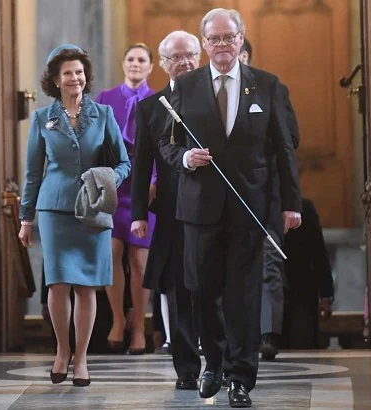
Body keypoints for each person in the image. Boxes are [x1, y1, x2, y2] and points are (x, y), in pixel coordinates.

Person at [158, 8, 302, 407]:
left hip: (249, 209)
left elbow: (284, 150)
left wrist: (290, 204)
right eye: (215, 39)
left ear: (241, 39)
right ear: (204, 44)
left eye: (229, 37)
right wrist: (185, 159)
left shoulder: (269, 86)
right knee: (201, 290)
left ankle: (241, 377)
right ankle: (213, 364)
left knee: (243, 296)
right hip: (199, 209)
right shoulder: (184, 86)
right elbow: (167, 143)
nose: (222, 46)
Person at [19, 44, 130, 386]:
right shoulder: (42, 118)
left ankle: (81, 359)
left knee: (86, 287)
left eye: (79, 72)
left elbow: (124, 162)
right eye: (67, 72)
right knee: (58, 282)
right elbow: (33, 173)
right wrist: (26, 218)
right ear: (55, 79)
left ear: (86, 77)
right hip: (54, 209)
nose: (74, 78)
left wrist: (107, 178)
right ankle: (62, 351)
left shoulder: (104, 114)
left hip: (93, 210)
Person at [130, 30, 202, 390]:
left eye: (190, 55)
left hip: (213, 211)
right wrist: (139, 213)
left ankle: (221, 363)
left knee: (215, 288)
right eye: (176, 57)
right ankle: (187, 369)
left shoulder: (217, 100)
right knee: (177, 291)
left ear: (199, 57)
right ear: (163, 64)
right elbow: (142, 164)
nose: (184, 62)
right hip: (172, 214)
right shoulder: (150, 108)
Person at [239, 38, 301, 360]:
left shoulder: (271, 88)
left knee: (269, 263)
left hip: (267, 194)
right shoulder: (212, 94)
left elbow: (290, 139)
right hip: (228, 195)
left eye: (239, 53)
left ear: (246, 55)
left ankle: (268, 334)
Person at [96, 43, 155, 354]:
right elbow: (95, 141)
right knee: (111, 253)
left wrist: (155, 182)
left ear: (150, 66)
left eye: (141, 60)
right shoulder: (106, 98)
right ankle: (118, 319)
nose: (135, 64)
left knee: (140, 262)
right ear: (123, 63)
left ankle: (140, 327)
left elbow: (163, 145)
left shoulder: (159, 100)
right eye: (130, 58)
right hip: (113, 185)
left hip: (144, 187)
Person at [281, 198, 334, 349]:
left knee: (303, 346)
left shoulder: (303, 208)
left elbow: (318, 253)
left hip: (300, 295)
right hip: (266, 301)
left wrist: (326, 295)